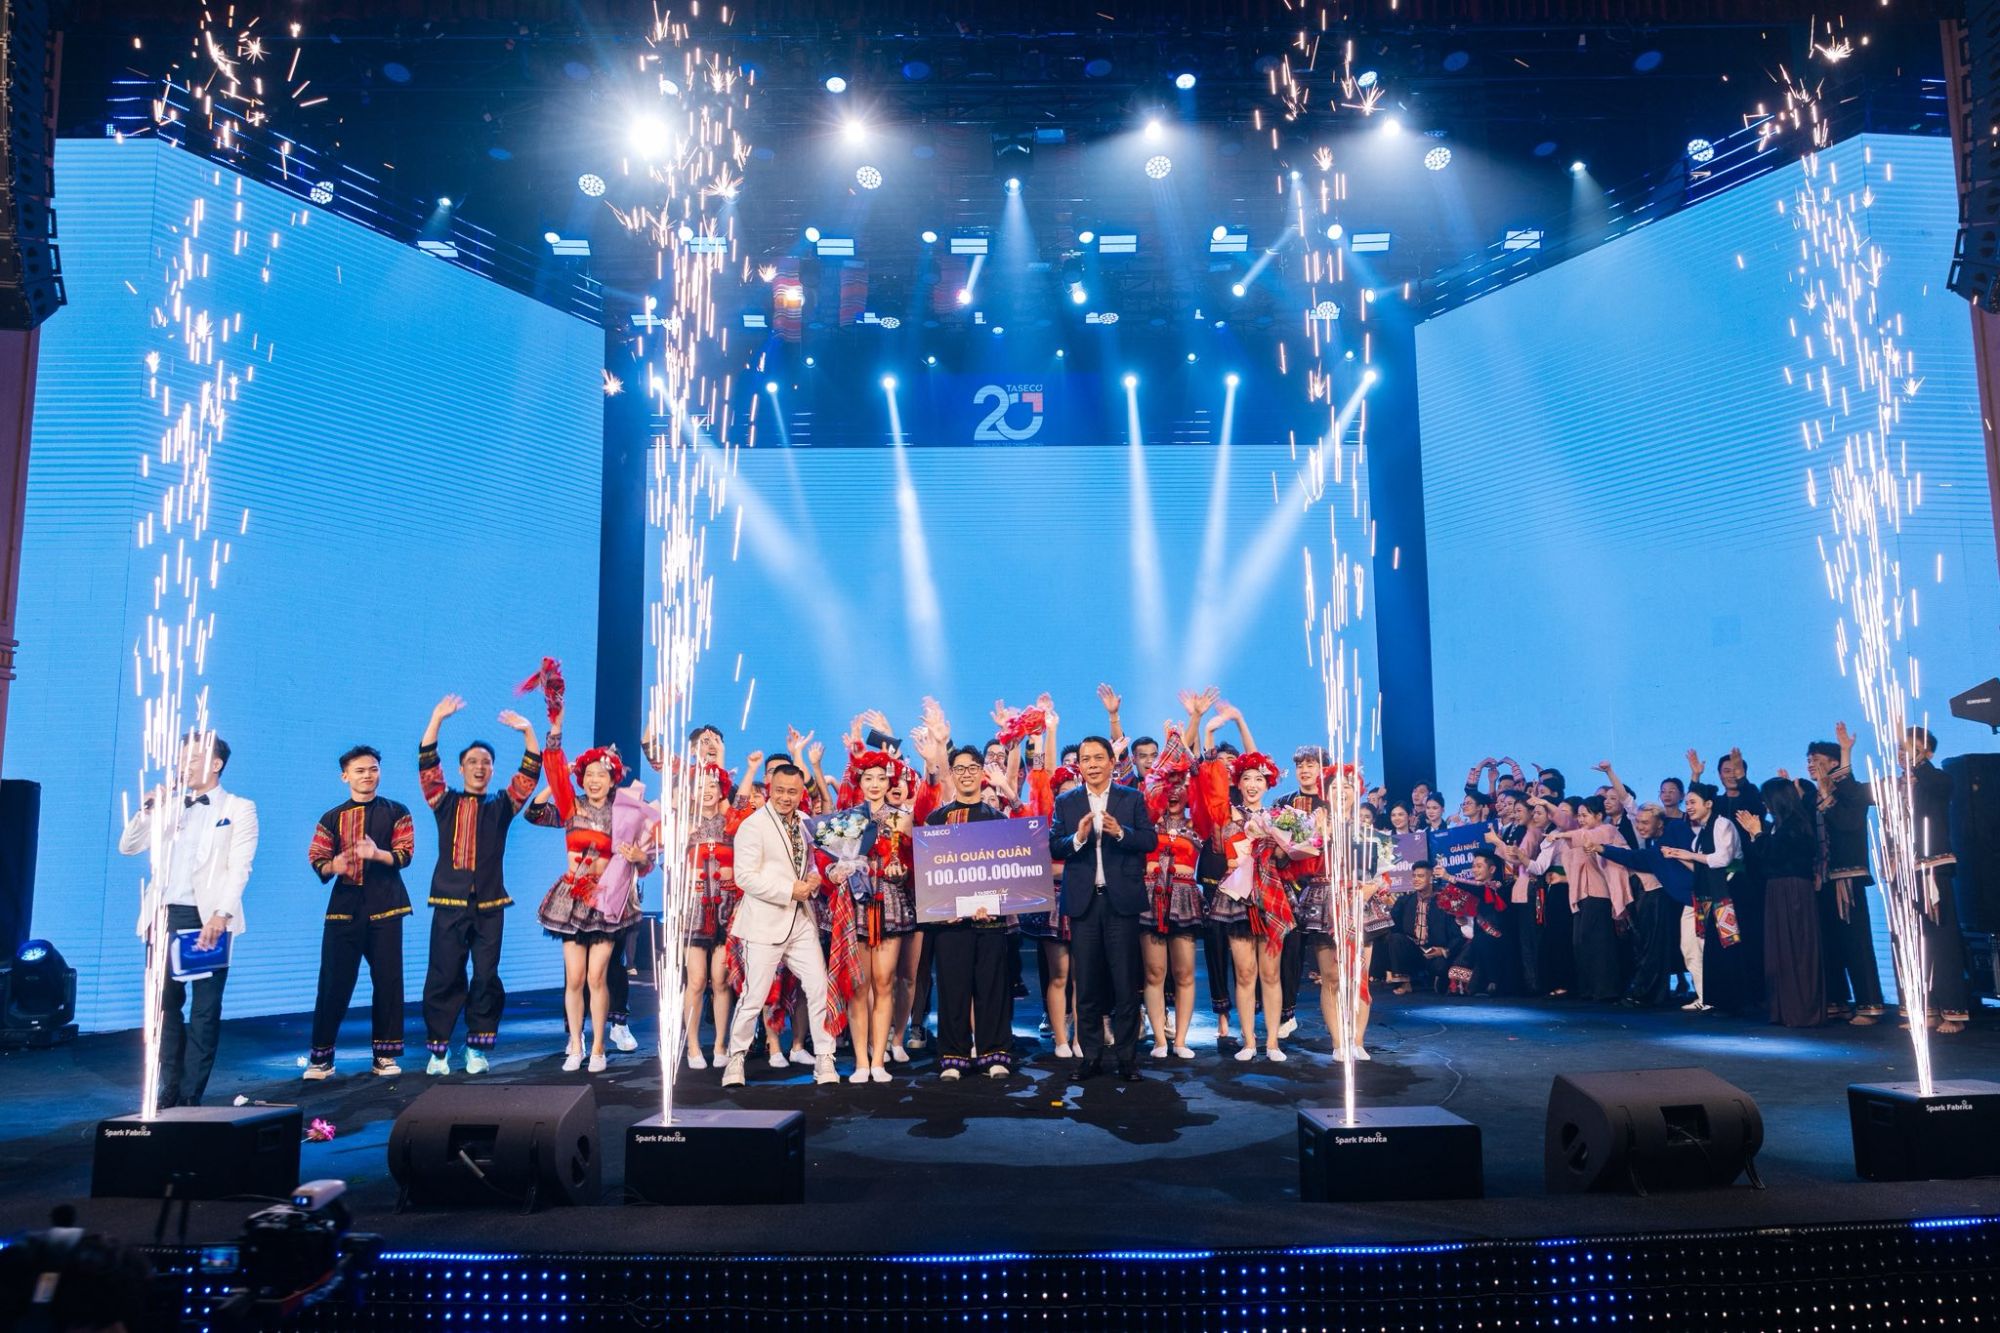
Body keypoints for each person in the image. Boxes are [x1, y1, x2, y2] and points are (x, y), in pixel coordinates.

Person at [117, 730, 257, 1108]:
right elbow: (128, 847)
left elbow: (239, 867)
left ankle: (191, 1092)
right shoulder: (170, 805)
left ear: (216, 764)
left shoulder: (238, 808)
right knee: (165, 1007)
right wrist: (149, 809)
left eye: (193, 759)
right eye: (182, 759)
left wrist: (221, 914)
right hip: (163, 916)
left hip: (207, 918)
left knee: (204, 1010)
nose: (184, 765)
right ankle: (169, 1085)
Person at [417, 694, 541, 1075]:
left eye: (486, 762)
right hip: (449, 903)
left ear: (492, 770)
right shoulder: (444, 803)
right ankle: (439, 1052)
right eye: (472, 762)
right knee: (444, 974)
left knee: (486, 976)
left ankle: (476, 1048)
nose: (479, 767)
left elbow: (529, 776)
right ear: (460, 769)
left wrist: (528, 731)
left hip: (489, 906)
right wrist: (437, 718)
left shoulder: (501, 806)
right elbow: (427, 765)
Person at [530, 708, 656, 1073]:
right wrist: (556, 738)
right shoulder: (571, 806)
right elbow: (537, 808)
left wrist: (639, 857)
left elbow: (646, 861)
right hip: (573, 899)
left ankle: (599, 1046)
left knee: (597, 976)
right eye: (588, 774)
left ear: (613, 778)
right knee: (574, 978)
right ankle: (576, 1042)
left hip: (608, 900)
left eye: (601, 774)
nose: (594, 779)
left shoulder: (626, 811)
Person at [722, 762, 840, 1087]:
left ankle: (825, 1057)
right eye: (780, 791)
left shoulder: (805, 822)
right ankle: (736, 1059)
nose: (785, 797)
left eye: (792, 792)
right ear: (770, 789)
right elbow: (745, 877)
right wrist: (790, 890)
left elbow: (811, 863)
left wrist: (814, 878)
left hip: (801, 921)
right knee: (754, 996)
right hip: (764, 922)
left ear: (801, 793)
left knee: (818, 988)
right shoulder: (753, 825)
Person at [1048, 734, 1158, 1082]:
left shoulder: (1132, 798)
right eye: (1085, 759)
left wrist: (1120, 832)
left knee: (1125, 984)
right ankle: (1091, 1057)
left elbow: (1149, 839)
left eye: (1098, 758)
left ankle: (1127, 1059)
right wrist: (1078, 838)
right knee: (1087, 985)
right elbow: (1054, 845)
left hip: (1120, 902)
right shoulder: (1066, 802)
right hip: (1084, 903)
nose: (1092, 765)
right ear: (1079, 766)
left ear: (1112, 761)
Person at [303, 745, 415, 1079]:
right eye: (360, 770)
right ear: (345, 776)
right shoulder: (331, 817)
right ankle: (322, 1058)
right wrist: (333, 865)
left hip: (386, 906)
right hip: (344, 910)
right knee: (333, 983)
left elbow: (405, 854)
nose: (368, 775)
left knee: (388, 982)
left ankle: (385, 1056)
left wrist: (377, 854)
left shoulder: (397, 811)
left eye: (373, 769)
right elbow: (317, 857)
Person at [925, 745, 1015, 1079]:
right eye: (959, 768)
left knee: (992, 988)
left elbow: (1008, 872)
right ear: (951, 774)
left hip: (990, 920)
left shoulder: (998, 820)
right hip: (950, 923)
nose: (966, 774)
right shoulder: (938, 819)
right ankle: (954, 1056)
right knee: (953, 988)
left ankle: (995, 1054)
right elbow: (931, 872)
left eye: (972, 768)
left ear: (982, 772)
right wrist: (943, 907)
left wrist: (995, 903)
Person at [1735, 776, 1825, 1028]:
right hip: (1778, 889)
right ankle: (1785, 1008)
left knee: (1795, 948)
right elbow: (1764, 858)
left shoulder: (1796, 825)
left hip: (1793, 890)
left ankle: (1800, 1010)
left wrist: (1758, 834)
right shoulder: (1780, 825)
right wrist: (1757, 835)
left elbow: (1777, 855)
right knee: (1781, 949)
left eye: (1766, 800)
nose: (1764, 805)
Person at [1809, 731, 1885, 1024]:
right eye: (1808, 760)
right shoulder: (1813, 794)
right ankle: (1838, 1000)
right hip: (1822, 878)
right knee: (1830, 942)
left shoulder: (1850, 793)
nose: (1811, 765)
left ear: (1833, 763)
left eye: (1816, 760)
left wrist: (1845, 752)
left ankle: (1869, 1004)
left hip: (1847, 878)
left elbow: (1847, 824)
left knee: (1856, 943)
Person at [1140, 727, 1204, 1060]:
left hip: (1184, 899)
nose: (1175, 791)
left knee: (1184, 973)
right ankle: (1159, 1040)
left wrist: (1194, 722)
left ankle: (1180, 1040)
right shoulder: (1148, 819)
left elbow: (1202, 773)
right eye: (1170, 784)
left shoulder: (1199, 824)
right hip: (1151, 898)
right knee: (1154, 972)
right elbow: (1150, 781)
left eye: (1181, 785)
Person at [680, 763, 743, 1070]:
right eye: (700, 786)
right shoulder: (683, 822)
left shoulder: (730, 822)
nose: (706, 791)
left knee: (720, 980)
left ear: (721, 791)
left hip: (726, 908)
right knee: (696, 980)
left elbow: (744, 811)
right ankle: (692, 1046)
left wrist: (750, 770)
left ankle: (720, 1044)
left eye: (712, 786)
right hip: (693, 908)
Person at [1376, 861, 1461, 993]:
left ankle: (1436, 980)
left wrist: (1443, 950)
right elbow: (1393, 927)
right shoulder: (1404, 901)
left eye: (1420, 876)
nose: (1416, 879)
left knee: (1441, 967)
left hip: (1434, 953)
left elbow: (1457, 935)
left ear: (1431, 878)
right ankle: (1404, 983)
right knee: (1395, 938)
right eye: (1414, 876)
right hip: (1412, 951)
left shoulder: (1444, 901)